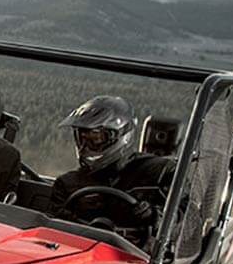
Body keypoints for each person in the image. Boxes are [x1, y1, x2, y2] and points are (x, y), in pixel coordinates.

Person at [49, 95, 175, 231]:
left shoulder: (161, 173)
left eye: (95, 138)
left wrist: (155, 216)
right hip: (80, 248)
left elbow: (187, 229)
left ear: (120, 135)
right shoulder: (67, 183)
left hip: (133, 250)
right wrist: (69, 221)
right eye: (81, 138)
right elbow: (51, 228)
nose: (85, 146)